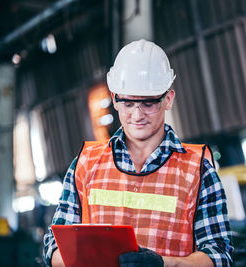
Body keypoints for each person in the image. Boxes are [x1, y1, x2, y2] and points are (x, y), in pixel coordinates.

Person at [43, 39, 233, 267]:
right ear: (114, 99)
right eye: (128, 103)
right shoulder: (85, 165)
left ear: (168, 99)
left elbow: (219, 255)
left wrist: (164, 264)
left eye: (148, 103)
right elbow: (53, 248)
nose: (137, 115)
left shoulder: (198, 171)